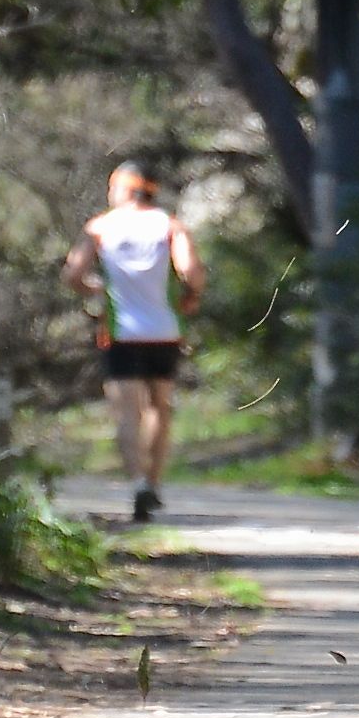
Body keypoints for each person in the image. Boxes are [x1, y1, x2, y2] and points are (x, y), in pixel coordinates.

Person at [61, 162, 205, 525]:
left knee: (128, 412)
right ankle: (154, 483)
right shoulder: (170, 226)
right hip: (165, 330)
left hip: (121, 332)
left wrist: (96, 288)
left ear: (123, 189)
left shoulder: (99, 228)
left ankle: (138, 482)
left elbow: (73, 274)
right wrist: (191, 295)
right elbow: (190, 270)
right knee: (160, 407)